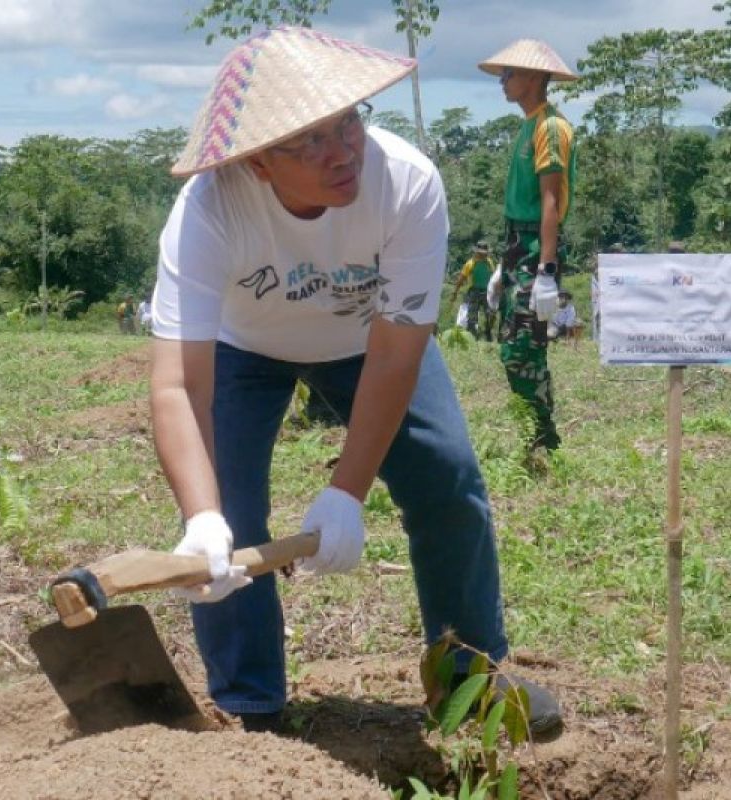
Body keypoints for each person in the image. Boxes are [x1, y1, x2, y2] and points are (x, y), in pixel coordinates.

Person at [149, 26, 561, 738]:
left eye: (346, 123)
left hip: (365, 340)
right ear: (254, 164)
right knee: (229, 512)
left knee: (447, 476)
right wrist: (201, 519)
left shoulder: (405, 183)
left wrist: (345, 492)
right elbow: (179, 387)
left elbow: (399, 354)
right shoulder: (209, 211)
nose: (340, 152)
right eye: (306, 141)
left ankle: (471, 684)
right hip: (243, 350)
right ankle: (250, 708)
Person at [480, 39, 578, 452]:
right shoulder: (527, 125)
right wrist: (506, 263)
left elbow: (550, 202)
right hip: (519, 245)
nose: (503, 81)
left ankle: (543, 438)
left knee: (523, 347)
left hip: (537, 249)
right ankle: (534, 433)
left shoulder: (551, 127)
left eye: (511, 73)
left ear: (535, 78)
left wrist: (546, 271)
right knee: (511, 343)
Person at [449, 241, 496, 341]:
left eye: (485, 253)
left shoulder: (489, 263)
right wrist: (455, 293)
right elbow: (461, 279)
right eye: (481, 253)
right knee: (472, 317)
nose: (483, 255)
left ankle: (487, 334)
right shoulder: (470, 264)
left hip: (487, 292)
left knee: (490, 314)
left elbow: (493, 277)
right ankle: (472, 337)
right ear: (477, 252)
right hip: (474, 292)